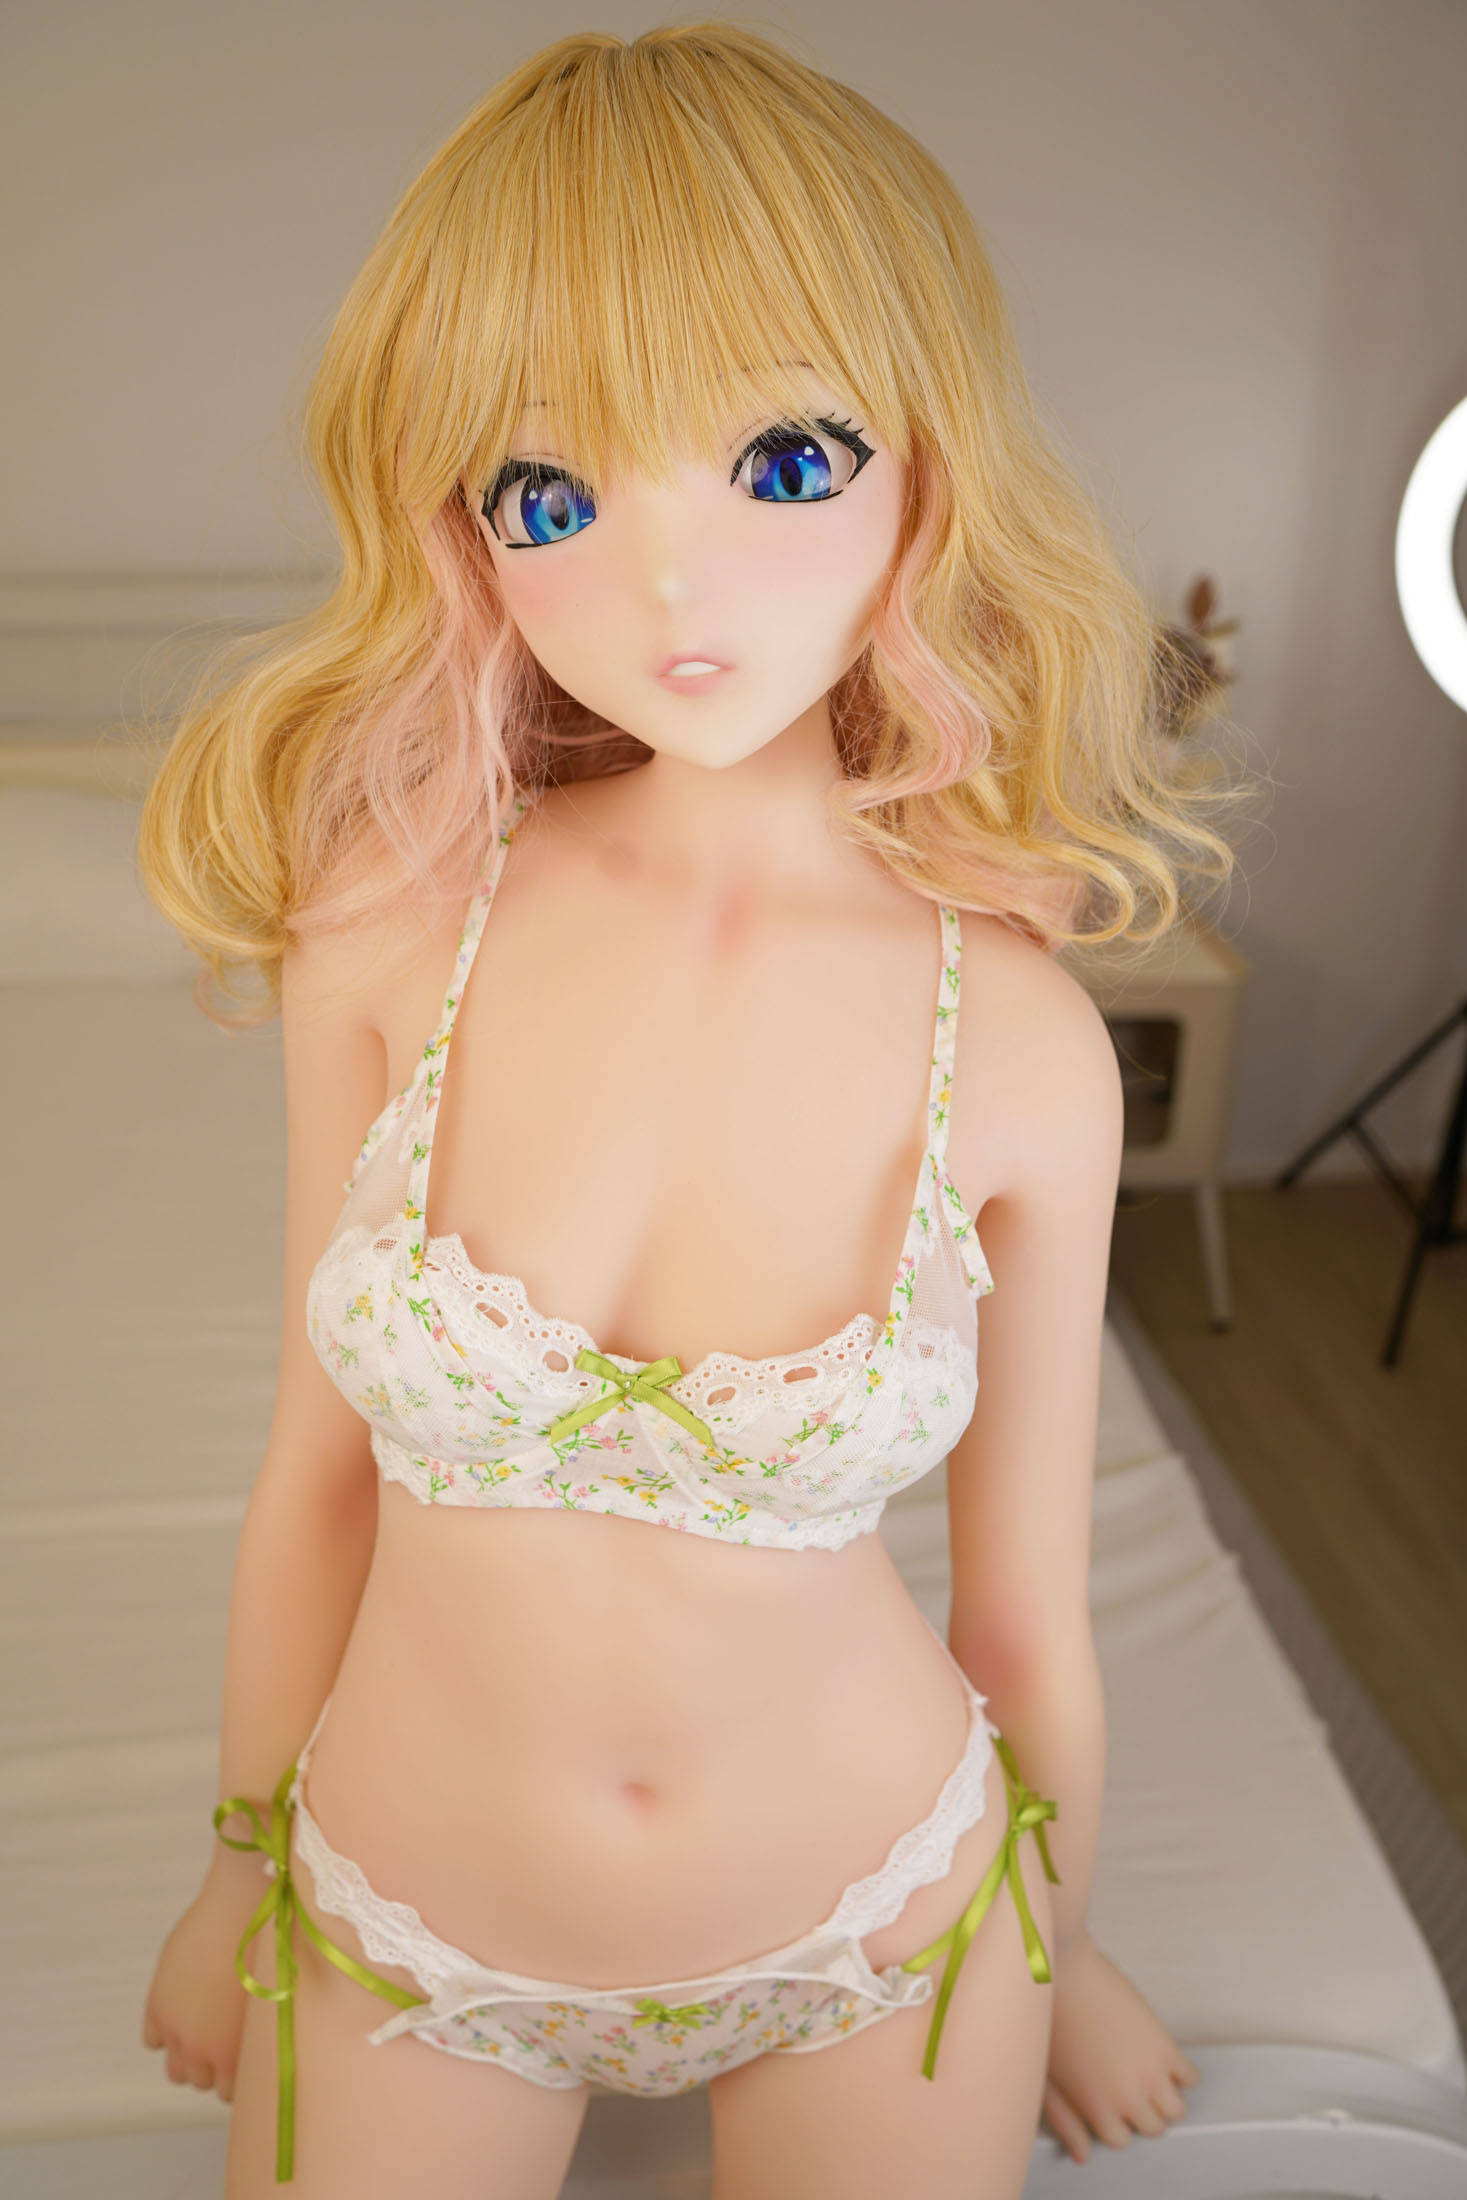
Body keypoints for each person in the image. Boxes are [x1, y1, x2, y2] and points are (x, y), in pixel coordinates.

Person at [138, 22, 1236, 2197]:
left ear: (932, 469)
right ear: (464, 532)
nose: (671, 586)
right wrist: (235, 1866)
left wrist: (1061, 1945)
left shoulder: (1011, 1040)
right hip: (400, 1911)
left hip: (886, 1920)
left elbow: (1024, 1610)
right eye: (550, 496)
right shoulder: (386, 934)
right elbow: (314, 1482)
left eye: (784, 458)